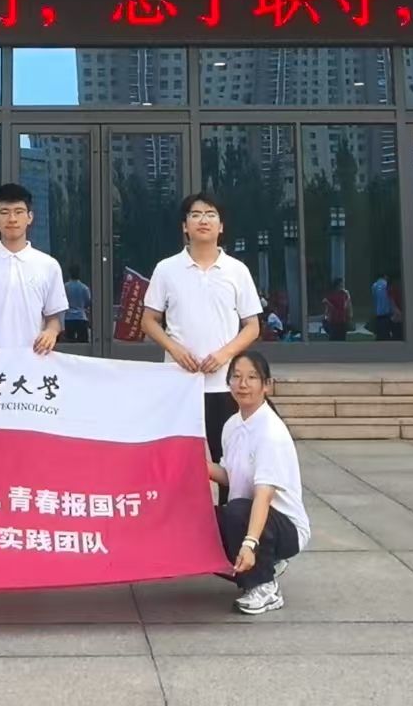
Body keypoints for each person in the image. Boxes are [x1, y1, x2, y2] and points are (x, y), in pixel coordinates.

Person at [141, 193, 263, 488]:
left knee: (228, 460)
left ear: (221, 226)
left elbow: (252, 326)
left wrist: (223, 355)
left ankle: (229, 514)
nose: (203, 220)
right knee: (177, 459)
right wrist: (175, 349)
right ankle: (180, 514)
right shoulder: (167, 269)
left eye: (210, 214)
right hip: (179, 384)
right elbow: (148, 320)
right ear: (185, 226)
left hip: (224, 384)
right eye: (195, 215)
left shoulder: (237, 270)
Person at [208, 350, 310, 615]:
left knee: (238, 510)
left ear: (267, 385)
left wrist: (249, 544)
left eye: (252, 377)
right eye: (236, 377)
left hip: (284, 527)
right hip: (250, 515)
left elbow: (263, 495)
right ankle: (263, 566)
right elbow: (231, 475)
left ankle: (265, 586)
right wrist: (196, 465)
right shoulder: (232, 425)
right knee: (204, 522)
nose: (243, 384)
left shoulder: (270, 432)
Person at [0, 183, 68, 352]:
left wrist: (51, 332)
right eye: (4, 212)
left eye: (19, 212)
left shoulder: (48, 265)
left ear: (30, 217)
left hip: (34, 359)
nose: (12, 219)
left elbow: (54, 317)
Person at [63, 267, 92, 343]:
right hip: (81, 317)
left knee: (69, 343)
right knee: (83, 342)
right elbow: (88, 302)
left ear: (69, 274)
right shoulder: (84, 288)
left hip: (68, 318)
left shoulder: (65, 287)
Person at [322, 277, 352, 342]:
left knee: (340, 339)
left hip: (341, 321)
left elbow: (347, 306)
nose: (342, 287)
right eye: (341, 285)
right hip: (334, 321)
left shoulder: (344, 294)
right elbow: (327, 307)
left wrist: (349, 315)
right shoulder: (332, 295)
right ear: (337, 286)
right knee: (335, 338)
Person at [370, 273, 395, 341]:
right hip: (387, 314)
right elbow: (390, 299)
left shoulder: (374, 286)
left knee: (380, 336)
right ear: (385, 276)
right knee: (386, 335)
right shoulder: (387, 285)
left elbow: (374, 299)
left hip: (378, 315)